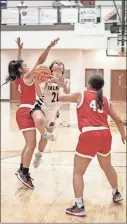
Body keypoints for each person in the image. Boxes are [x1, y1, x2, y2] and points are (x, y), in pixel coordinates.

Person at [57, 74, 126, 217]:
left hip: (89, 134)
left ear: (89, 84)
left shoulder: (80, 94)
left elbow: (61, 97)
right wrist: (123, 135)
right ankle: (116, 192)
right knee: (107, 167)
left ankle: (79, 206)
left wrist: (61, 86)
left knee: (78, 172)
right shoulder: (106, 100)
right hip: (106, 135)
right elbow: (119, 120)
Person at [5, 37, 59, 189]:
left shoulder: (18, 78)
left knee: (29, 144)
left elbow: (17, 65)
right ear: (22, 70)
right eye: (26, 66)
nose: (29, 67)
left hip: (25, 110)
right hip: (25, 111)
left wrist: (20, 51)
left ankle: (22, 168)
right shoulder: (27, 77)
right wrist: (49, 46)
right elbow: (41, 60)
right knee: (31, 144)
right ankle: (25, 173)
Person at [32, 60, 70, 168]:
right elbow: (39, 94)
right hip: (43, 107)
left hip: (54, 112)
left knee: (45, 138)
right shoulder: (45, 79)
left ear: (63, 69)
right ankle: (43, 133)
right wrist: (38, 83)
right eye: (56, 62)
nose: (59, 63)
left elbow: (67, 92)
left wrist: (62, 84)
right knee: (42, 125)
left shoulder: (66, 81)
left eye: (60, 63)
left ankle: (38, 156)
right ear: (51, 68)